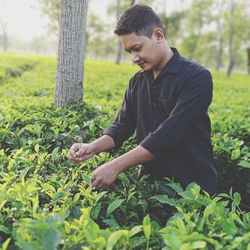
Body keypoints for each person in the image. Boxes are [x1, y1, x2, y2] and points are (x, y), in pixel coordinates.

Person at [67, 4, 218, 195]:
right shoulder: (138, 81)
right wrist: (93, 147)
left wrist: (115, 166)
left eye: (137, 48)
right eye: (129, 52)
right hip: (151, 187)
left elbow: (167, 135)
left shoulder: (197, 78)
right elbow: (122, 127)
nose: (134, 58)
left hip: (193, 189)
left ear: (158, 35)